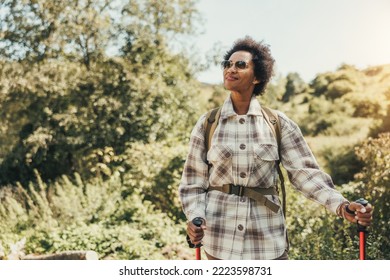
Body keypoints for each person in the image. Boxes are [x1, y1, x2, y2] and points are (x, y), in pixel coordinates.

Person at [178, 36, 373, 260]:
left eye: (240, 64)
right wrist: (195, 216)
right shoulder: (208, 124)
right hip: (220, 243)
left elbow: (305, 175)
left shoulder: (279, 124)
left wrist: (342, 206)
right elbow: (193, 182)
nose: (231, 69)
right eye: (228, 64)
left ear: (257, 77)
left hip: (267, 244)